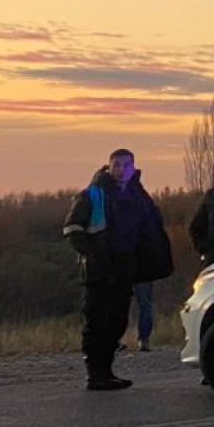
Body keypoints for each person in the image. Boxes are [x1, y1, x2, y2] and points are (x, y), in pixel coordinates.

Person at [62, 149, 174, 391]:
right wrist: (95, 256)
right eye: (117, 165)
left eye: (126, 165)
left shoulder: (138, 196)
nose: (121, 169)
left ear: (133, 168)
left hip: (125, 272)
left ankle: (108, 371)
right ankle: (95, 374)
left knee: (117, 323)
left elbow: (153, 226)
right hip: (98, 273)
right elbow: (72, 230)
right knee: (96, 322)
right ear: (109, 166)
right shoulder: (92, 194)